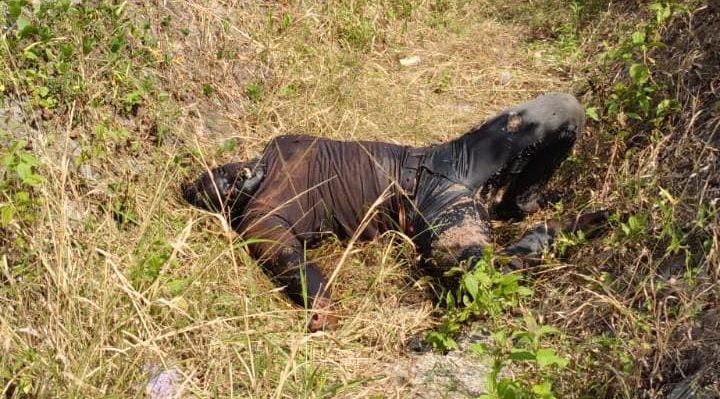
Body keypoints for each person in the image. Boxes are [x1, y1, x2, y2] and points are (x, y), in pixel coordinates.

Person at [183, 92, 606, 332]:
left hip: (442, 160)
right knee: (478, 286)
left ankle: (517, 202)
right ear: (227, 206)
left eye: (221, 170)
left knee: (564, 111)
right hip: (427, 207)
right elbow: (289, 264)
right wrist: (319, 301)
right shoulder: (261, 216)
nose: (231, 175)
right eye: (222, 187)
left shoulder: (280, 146)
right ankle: (549, 235)